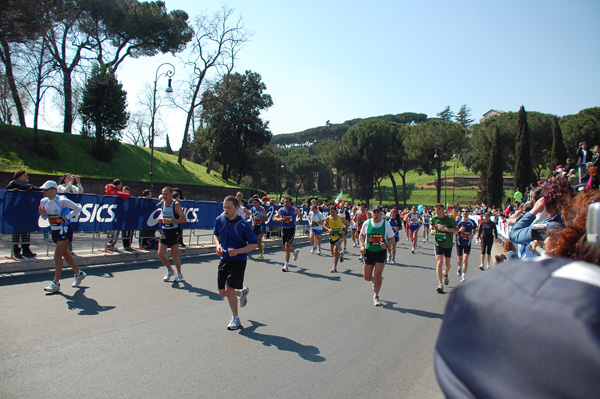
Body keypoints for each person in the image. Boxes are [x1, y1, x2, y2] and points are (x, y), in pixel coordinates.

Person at [434, 190, 600, 399]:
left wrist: (531, 212)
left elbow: (514, 232)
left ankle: (461, 270)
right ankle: (457, 271)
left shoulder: (478, 297)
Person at [214, 195, 258, 330]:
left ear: (237, 208)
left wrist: (238, 251)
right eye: (224, 207)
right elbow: (216, 235)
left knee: (229, 289)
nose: (226, 210)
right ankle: (241, 292)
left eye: (229, 208)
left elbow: (254, 244)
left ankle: (235, 319)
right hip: (224, 259)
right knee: (222, 292)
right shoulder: (219, 220)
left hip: (238, 260)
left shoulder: (243, 225)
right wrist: (217, 246)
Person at [38, 180, 85, 293]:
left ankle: (56, 283)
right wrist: (43, 214)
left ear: (54, 190)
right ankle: (79, 274)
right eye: (43, 189)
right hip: (54, 230)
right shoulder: (43, 201)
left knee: (57, 255)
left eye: (46, 189)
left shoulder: (62, 200)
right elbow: (45, 218)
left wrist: (66, 217)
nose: (43, 191)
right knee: (66, 255)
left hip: (65, 230)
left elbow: (78, 208)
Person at [359, 205, 396, 306]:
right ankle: (375, 281)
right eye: (374, 212)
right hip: (368, 252)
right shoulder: (367, 223)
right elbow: (361, 236)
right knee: (366, 277)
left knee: (378, 275)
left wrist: (387, 244)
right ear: (371, 213)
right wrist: (362, 246)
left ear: (381, 214)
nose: (376, 214)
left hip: (380, 252)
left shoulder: (386, 225)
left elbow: (392, 239)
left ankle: (376, 295)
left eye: (378, 212)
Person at [431, 203, 464, 293]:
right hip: (438, 243)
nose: (438, 214)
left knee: (447, 264)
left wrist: (446, 229)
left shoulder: (450, 219)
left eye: (440, 212)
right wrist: (432, 230)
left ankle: (445, 273)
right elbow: (432, 224)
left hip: (448, 244)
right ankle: (440, 284)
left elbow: (457, 230)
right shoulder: (434, 218)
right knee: (439, 262)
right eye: (437, 212)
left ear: (444, 211)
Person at [157, 186, 187, 282]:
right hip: (165, 230)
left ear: (171, 194)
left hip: (174, 231)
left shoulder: (176, 204)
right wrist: (161, 219)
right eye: (163, 194)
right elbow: (161, 217)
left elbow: (183, 219)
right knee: (160, 253)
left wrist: (172, 221)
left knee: (174, 254)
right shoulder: (162, 203)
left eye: (166, 194)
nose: (164, 196)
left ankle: (179, 273)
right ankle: (170, 269)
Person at [6, 170, 38, 258]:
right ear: (19, 176)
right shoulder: (13, 184)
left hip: (26, 211)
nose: (26, 177)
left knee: (26, 232)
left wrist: (31, 189)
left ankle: (26, 250)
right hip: (16, 212)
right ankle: (16, 250)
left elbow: (37, 189)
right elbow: (6, 193)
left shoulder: (28, 185)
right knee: (16, 232)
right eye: (25, 175)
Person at [272, 196, 303, 271]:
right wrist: (280, 219)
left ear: (290, 202)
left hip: (291, 229)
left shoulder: (294, 210)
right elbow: (275, 218)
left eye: (287, 202)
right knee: (285, 247)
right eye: (284, 202)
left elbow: (301, 215)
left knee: (287, 245)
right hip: (284, 229)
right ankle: (294, 252)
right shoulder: (281, 210)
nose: (285, 203)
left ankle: (286, 265)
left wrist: (298, 221)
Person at [104, 179, 131, 251]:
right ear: (118, 185)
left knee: (110, 230)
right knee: (115, 230)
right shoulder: (114, 191)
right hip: (115, 213)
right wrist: (128, 194)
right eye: (121, 185)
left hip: (109, 213)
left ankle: (109, 244)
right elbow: (124, 195)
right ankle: (110, 245)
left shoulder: (108, 190)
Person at [455, 208, 477, 282]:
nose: (464, 213)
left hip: (467, 243)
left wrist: (472, 234)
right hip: (459, 242)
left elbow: (475, 228)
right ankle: (459, 267)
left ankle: (463, 276)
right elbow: (454, 230)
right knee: (460, 259)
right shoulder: (458, 221)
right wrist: (459, 231)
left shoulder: (472, 222)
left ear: (469, 213)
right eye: (463, 211)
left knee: (465, 259)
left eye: (466, 211)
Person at [324, 206, 346, 272]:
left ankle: (334, 267)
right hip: (332, 237)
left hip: (339, 236)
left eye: (333, 212)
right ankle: (340, 254)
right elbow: (324, 225)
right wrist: (328, 229)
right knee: (333, 253)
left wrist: (344, 231)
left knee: (335, 250)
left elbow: (346, 224)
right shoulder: (328, 218)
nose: (332, 213)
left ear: (336, 211)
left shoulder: (341, 218)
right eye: (331, 212)